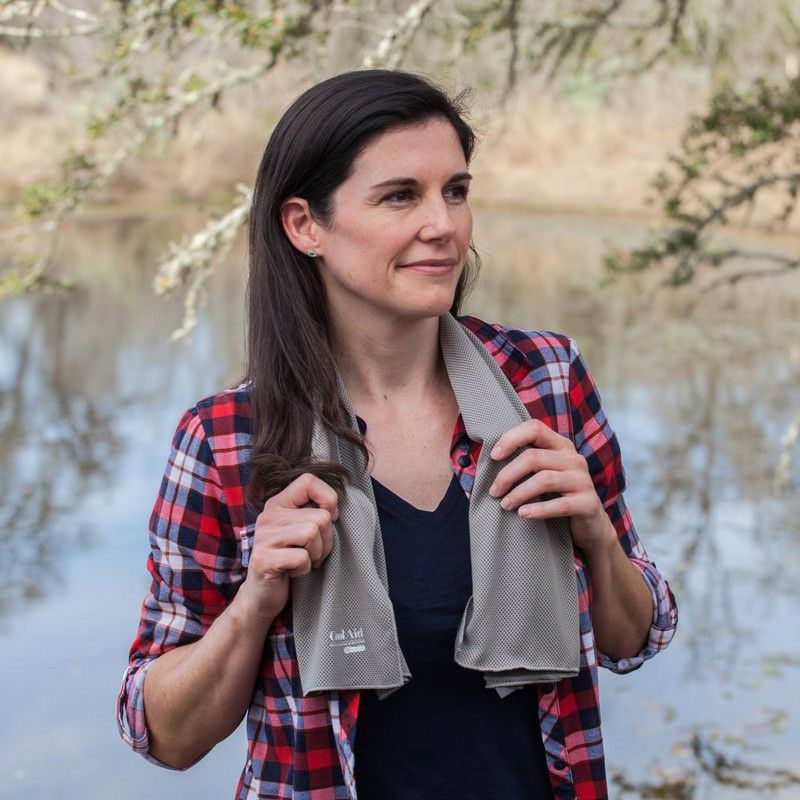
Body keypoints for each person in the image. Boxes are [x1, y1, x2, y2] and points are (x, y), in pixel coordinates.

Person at [116, 68, 679, 800]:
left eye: (456, 191)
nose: (443, 225)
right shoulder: (226, 439)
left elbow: (634, 638)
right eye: (400, 196)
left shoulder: (544, 381)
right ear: (305, 225)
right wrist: (255, 602)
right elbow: (163, 735)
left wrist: (597, 536)